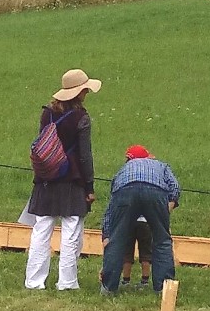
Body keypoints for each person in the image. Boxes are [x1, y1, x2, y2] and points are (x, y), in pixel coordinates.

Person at [24, 69, 98, 291]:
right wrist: (89, 186)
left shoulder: (47, 114)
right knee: (71, 230)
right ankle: (67, 282)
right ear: (79, 92)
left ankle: (34, 281)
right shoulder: (81, 118)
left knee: (41, 228)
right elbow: (85, 155)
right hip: (71, 178)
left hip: (46, 176)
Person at [100, 144, 179, 296]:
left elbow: (112, 206)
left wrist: (107, 235)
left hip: (125, 190)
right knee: (162, 240)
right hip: (155, 190)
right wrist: (164, 214)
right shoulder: (161, 165)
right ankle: (164, 289)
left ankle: (108, 288)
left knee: (117, 240)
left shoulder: (123, 170)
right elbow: (174, 188)